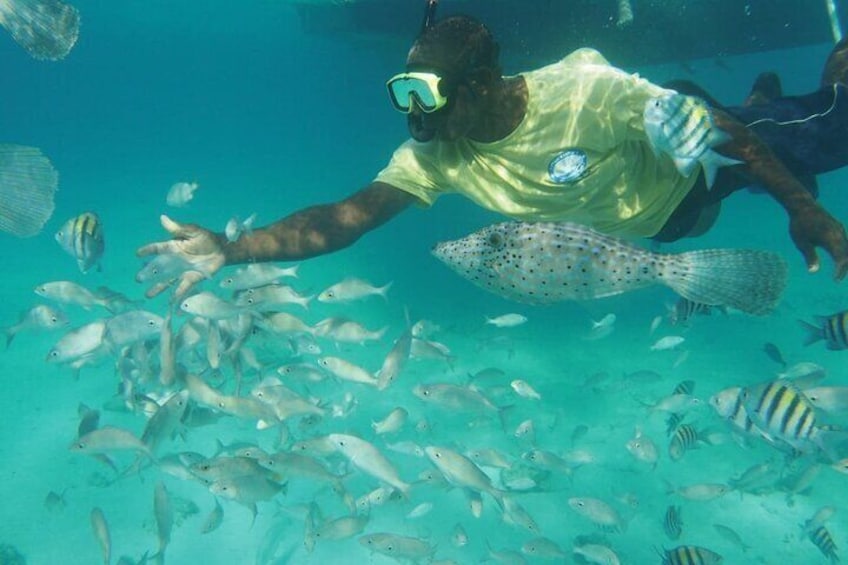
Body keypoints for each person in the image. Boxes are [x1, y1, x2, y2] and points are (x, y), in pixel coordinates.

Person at [137, 11, 848, 299]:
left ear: (480, 86)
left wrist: (803, 206)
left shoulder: (586, 89)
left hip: (692, 167)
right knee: (716, 190)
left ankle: (816, 88)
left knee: (818, 134)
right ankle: (763, 95)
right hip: (668, 226)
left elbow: (722, 138)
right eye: (405, 97)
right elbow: (344, 217)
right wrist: (235, 249)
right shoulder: (440, 153)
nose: (419, 121)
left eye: (431, 100)